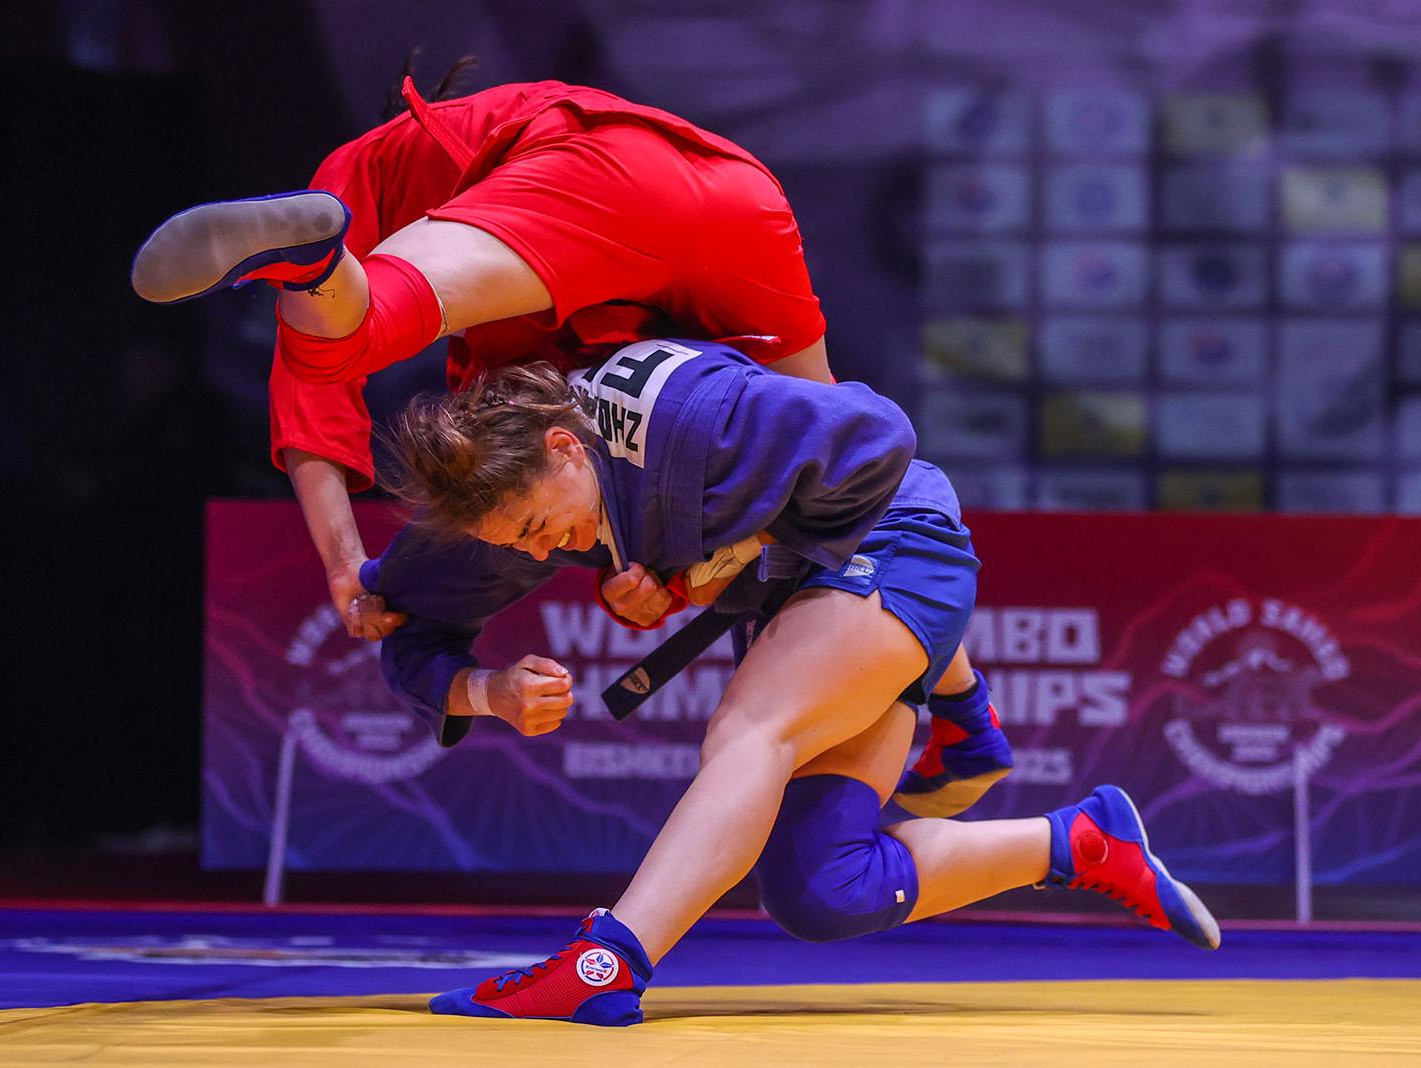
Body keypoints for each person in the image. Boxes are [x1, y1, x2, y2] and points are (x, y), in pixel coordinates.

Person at [129, 73, 1011, 815]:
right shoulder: (531, 370)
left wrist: (342, 567)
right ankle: (970, 719)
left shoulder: (378, 168)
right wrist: (665, 573)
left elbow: (311, 397)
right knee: (851, 496)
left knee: (352, 324)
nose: (537, 546)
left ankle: (315, 267)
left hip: (605, 184)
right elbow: (633, 463)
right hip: (736, 207)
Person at [361, 340, 1220, 1026]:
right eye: (519, 545)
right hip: (807, 597)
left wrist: (720, 552)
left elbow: (877, 436)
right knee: (821, 890)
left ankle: (604, 965)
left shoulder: (683, 413)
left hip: (894, 540)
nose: (543, 552)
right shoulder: (507, 501)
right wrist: (487, 691)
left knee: (749, 732)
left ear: (563, 448)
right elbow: (400, 627)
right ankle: (1082, 842)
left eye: (539, 528)